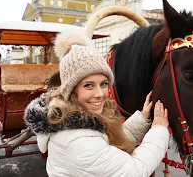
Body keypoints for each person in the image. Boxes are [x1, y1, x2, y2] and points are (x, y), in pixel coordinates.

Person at [24, 31, 170, 177]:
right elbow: (134, 171)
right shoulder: (76, 139)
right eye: (88, 85)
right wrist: (159, 130)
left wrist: (142, 118)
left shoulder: (73, 120)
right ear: (71, 89)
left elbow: (107, 146)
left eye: (104, 84)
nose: (100, 93)